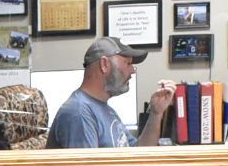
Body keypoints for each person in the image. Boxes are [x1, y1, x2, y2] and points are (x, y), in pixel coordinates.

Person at [46, 35, 175, 149]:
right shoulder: (79, 113)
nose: (132, 71)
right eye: (127, 63)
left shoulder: (105, 109)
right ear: (104, 64)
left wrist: (156, 113)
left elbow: (138, 152)